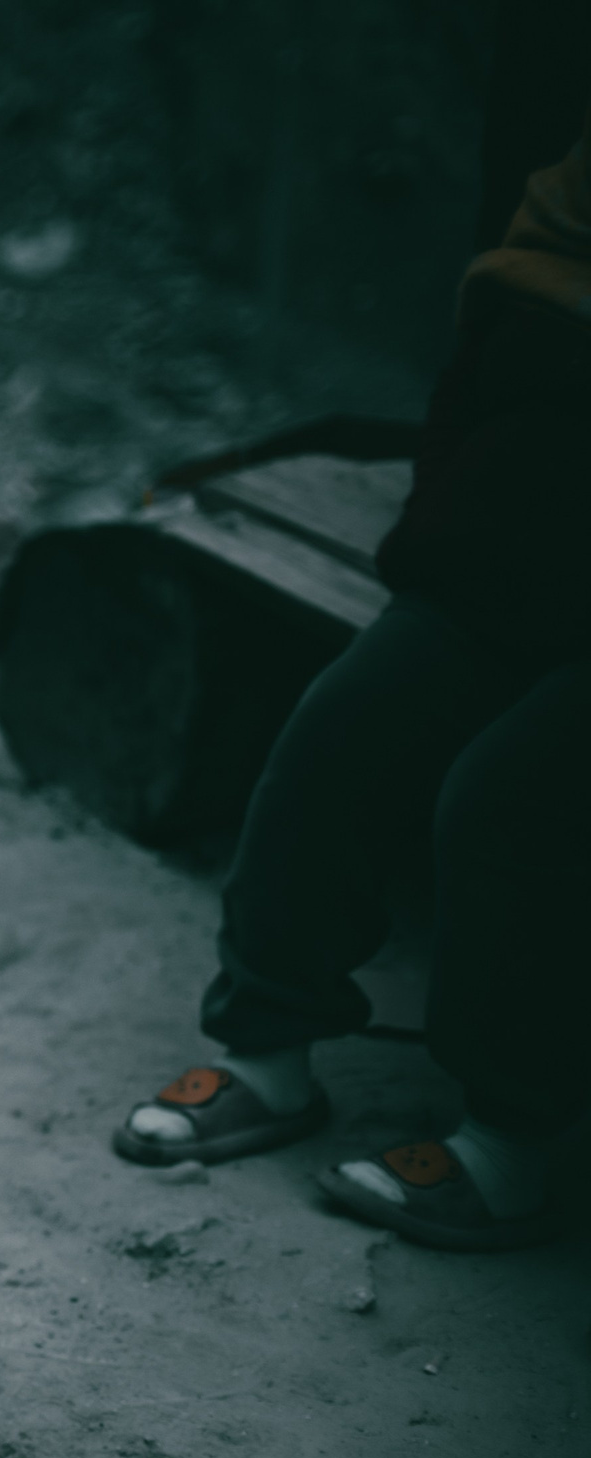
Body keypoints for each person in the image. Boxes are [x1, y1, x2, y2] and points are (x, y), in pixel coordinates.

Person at [113, 115, 591, 1251]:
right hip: (509, 570)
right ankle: (268, 1059)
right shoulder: (565, 198)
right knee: (334, 740)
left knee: (503, 803)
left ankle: (509, 1146)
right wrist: (444, 529)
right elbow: (480, 375)